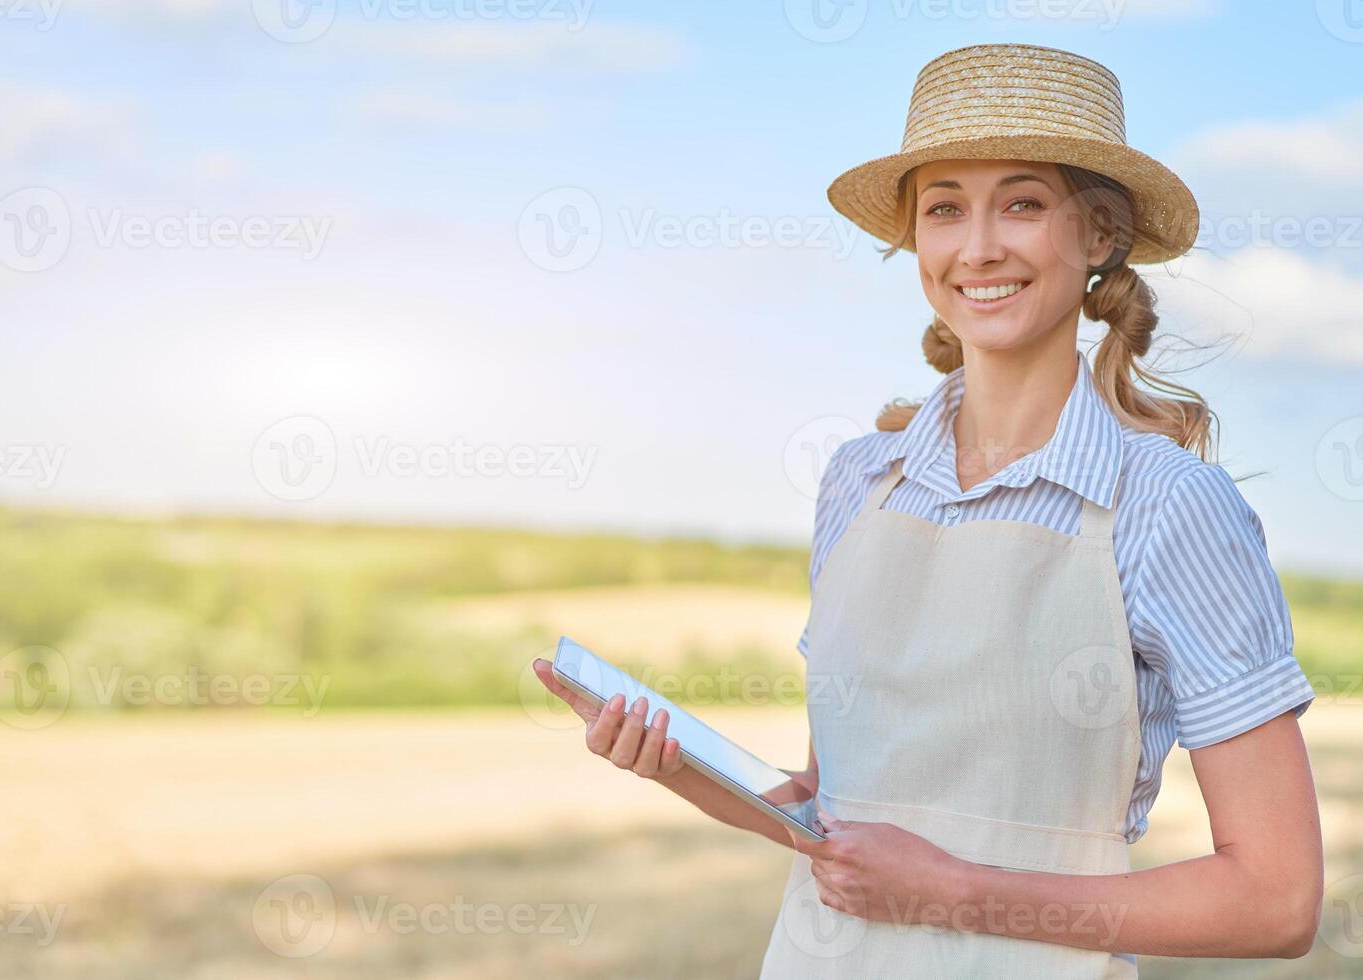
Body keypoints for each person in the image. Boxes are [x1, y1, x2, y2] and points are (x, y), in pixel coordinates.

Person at [533, 42, 1322, 978]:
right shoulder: (860, 484)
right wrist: (679, 764)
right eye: (944, 208)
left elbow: (1276, 901)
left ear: (1100, 236)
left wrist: (954, 894)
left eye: (1022, 203)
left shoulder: (1166, 504)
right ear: (916, 241)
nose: (977, 246)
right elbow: (837, 819)